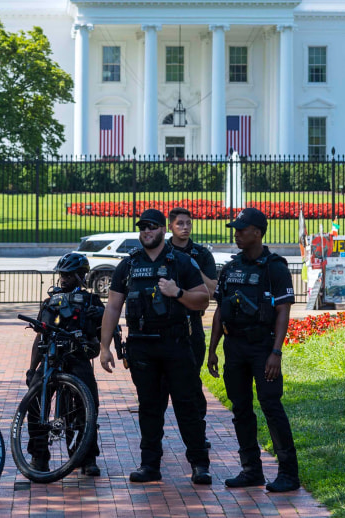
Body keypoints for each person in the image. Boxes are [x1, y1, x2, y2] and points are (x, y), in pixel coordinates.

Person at [99, 208, 212, 484]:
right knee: (149, 408)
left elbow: (203, 300)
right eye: (143, 228)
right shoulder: (128, 265)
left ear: (163, 230)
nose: (146, 232)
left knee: (187, 406)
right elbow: (113, 306)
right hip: (141, 346)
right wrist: (104, 347)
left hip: (176, 344)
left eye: (151, 227)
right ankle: (150, 465)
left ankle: (199, 464)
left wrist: (178, 293)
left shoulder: (181, 262)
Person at [207, 207, 301, 493]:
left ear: (257, 233)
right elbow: (220, 312)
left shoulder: (275, 267)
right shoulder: (232, 268)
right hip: (234, 347)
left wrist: (276, 353)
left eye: (241, 229)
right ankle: (251, 470)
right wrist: (212, 350)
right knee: (241, 409)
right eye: (235, 229)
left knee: (272, 407)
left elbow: (283, 311)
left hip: (263, 348)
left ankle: (288, 473)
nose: (236, 234)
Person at [24, 252, 105, 476]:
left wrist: (101, 315)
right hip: (51, 359)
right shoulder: (50, 302)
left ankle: (87, 458)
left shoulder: (92, 302)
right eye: (62, 274)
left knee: (88, 406)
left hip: (78, 358)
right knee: (35, 402)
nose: (64, 279)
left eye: (69, 275)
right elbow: (39, 337)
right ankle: (39, 457)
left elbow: (100, 340)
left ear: (81, 276)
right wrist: (32, 369)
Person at [166, 207, 220, 369]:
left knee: (191, 382)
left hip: (192, 322)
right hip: (166, 322)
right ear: (170, 227)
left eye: (188, 224)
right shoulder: (162, 252)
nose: (185, 227)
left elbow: (213, 291)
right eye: (180, 224)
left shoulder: (202, 254)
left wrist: (193, 268)